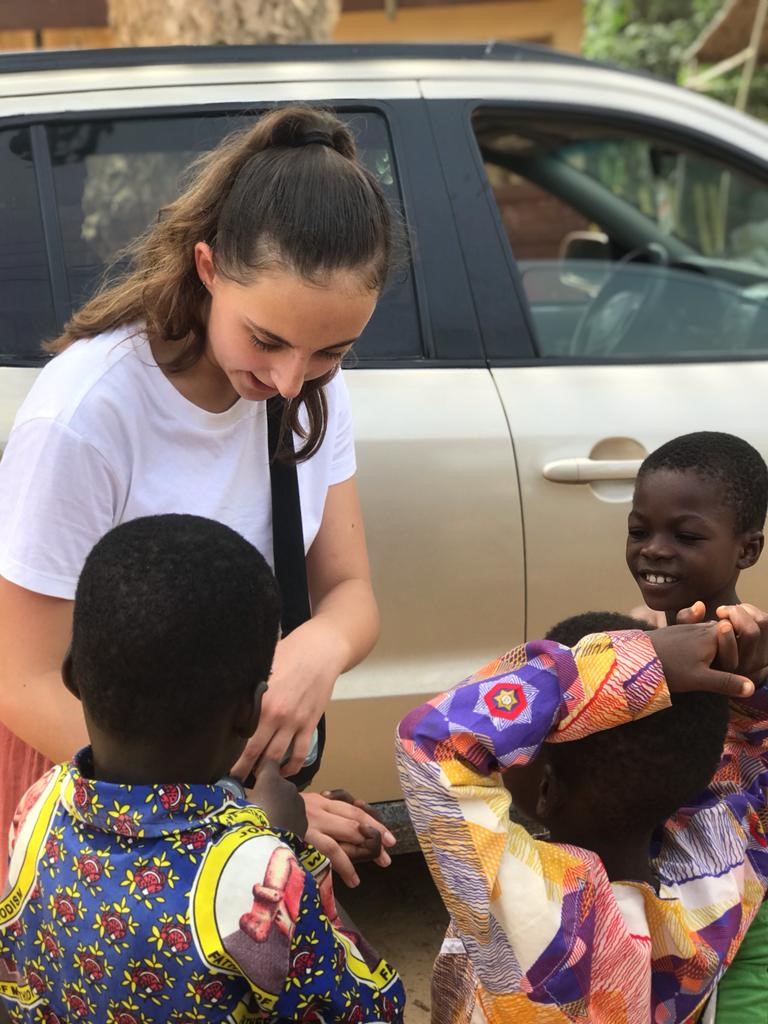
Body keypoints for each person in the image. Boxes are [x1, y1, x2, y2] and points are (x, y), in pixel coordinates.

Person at [0, 104, 401, 890]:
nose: (291, 381)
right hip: (91, 794)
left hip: (224, 786)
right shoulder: (90, 412)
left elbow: (349, 591)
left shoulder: (316, 389)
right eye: (268, 340)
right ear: (208, 267)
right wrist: (234, 804)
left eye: (331, 351)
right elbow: (22, 680)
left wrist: (317, 650)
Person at [0, 514, 405, 1023]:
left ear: (73, 677)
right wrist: (286, 849)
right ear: (251, 711)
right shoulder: (257, 877)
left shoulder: (38, 805)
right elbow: (371, 1010)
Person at [396, 607, 768, 1022]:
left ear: (546, 788)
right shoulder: (720, 876)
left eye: (532, 732)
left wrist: (631, 665)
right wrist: (752, 682)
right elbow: (749, 761)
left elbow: (431, 743)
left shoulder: (543, 924)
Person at [625, 431, 768, 1023]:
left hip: (744, 912)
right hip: (644, 900)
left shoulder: (752, 643)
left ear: (747, 550)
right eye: (639, 531)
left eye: (685, 537)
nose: (654, 550)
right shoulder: (626, 642)